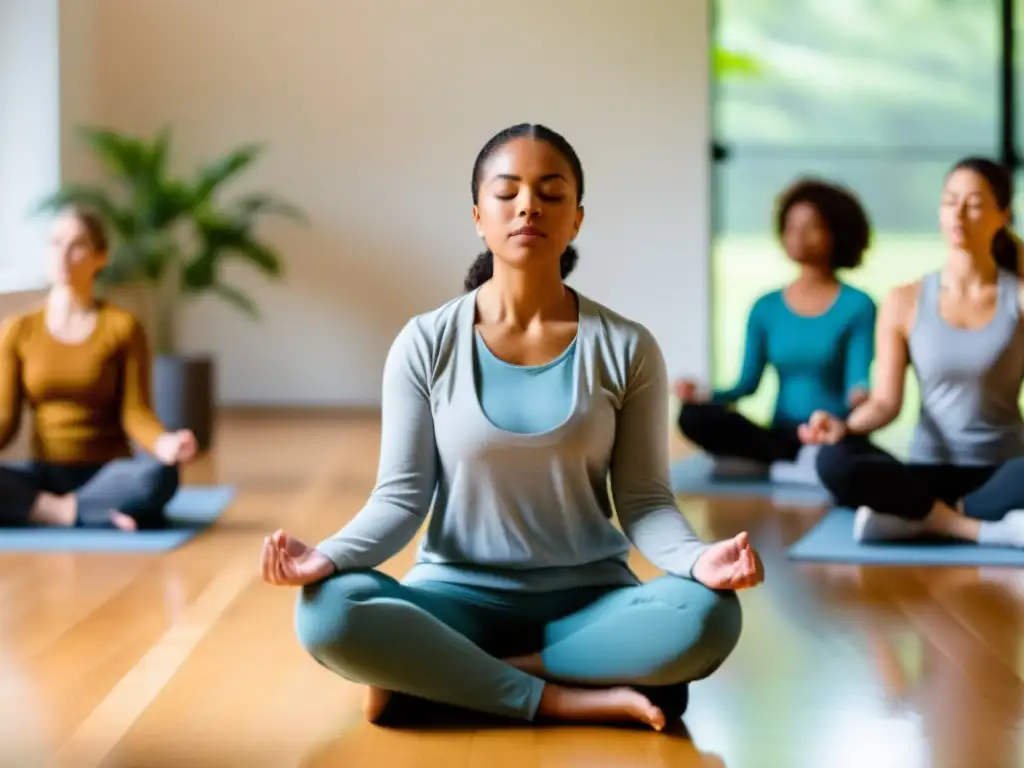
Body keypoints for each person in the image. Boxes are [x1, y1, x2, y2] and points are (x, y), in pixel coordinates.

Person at [259, 123, 763, 731]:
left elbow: (645, 500)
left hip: (591, 600)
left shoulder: (627, 346)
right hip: (456, 598)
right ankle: (565, 695)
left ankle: (453, 680)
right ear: (479, 215)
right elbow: (400, 498)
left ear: (576, 219)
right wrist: (328, 557)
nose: (529, 205)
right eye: (508, 192)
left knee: (708, 615)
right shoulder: (425, 343)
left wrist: (698, 560)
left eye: (551, 193)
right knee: (328, 613)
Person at [799, 157, 1024, 546]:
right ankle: (972, 526)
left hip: (1003, 470)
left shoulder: (1018, 298)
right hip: (924, 470)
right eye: (949, 200)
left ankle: (917, 517)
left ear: (1001, 215)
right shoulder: (904, 300)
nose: (958, 213)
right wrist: (846, 427)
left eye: (973, 203)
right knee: (833, 460)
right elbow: (886, 403)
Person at [0, 207, 197, 530]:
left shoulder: (122, 327)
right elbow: (4, 420)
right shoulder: (17, 330)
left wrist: (165, 443)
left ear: (100, 257)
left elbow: (136, 412)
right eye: (55, 242)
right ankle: (79, 512)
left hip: (106, 473)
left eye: (77, 245)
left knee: (161, 474)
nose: (63, 253)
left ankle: (51, 511)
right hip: (43, 475)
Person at [676, 178, 877, 466]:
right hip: (780, 435)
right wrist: (702, 394)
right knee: (692, 416)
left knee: (846, 456)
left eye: (811, 227)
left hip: (831, 433)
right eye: (791, 227)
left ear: (836, 233)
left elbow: (857, 379)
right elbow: (745, 385)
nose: (798, 236)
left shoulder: (857, 305)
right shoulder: (765, 307)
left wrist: (863, 397)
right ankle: (786, 462)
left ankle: (816, 462)